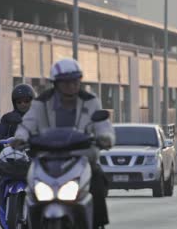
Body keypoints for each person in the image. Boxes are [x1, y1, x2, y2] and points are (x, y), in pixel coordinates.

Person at [13, 58, 115, 229]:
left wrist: (105, 137)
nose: (71, 86)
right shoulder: (41, 102)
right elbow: (27, 124)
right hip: (46, 157)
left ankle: (97, 225)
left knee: (97, 179)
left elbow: (103, 126)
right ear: (56, 83)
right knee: (29, 185)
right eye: (66, 82)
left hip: (81, 156)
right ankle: (26, 223)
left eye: (75, 81)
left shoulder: (91, 101)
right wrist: (20, 137)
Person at [0, 84, 35, 225]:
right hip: (11, 160)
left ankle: (43, 210)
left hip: (33, 160)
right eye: (19, 101)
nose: (23, 104)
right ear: (14, 103)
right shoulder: (8, 118)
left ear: (32, 101)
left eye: (26, 101)